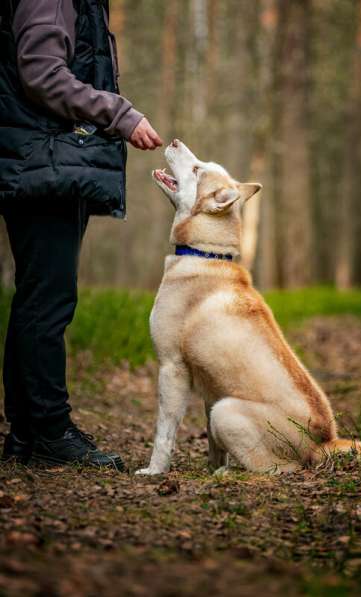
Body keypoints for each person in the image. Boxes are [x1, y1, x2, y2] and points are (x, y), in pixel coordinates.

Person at [0, 0, 163, 471]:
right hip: (43, 163)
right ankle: (49, 430)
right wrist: (120, 113)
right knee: (48, 302)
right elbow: (41, 73)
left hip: (45, 161)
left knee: (39, 297)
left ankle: (28, 434)